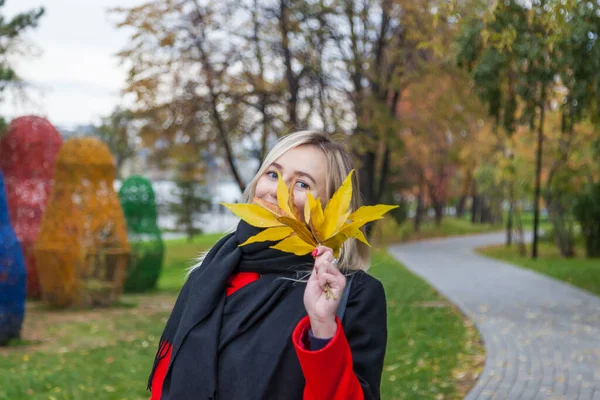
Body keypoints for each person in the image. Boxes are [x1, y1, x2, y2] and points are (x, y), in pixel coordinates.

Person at [148, 131, 387, 400]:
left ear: (330, 207)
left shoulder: (349, 296)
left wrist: (322, 328)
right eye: (273, 174)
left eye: (302, 184)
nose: (276, 191)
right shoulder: (210, 273)